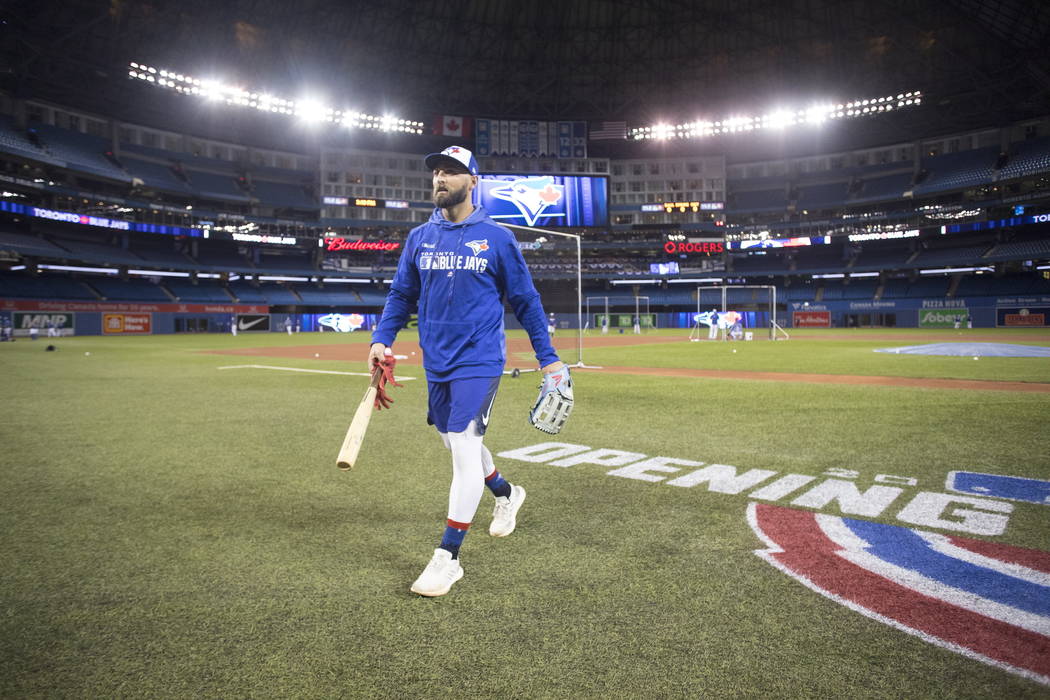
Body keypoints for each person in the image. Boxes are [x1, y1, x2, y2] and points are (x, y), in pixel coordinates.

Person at [368, 145, 565, 598]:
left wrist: (548, 356)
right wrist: (382, 338)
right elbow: (401, 295)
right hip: (437, 359)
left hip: (479, 358)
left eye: (452, 171)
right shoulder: (419, 237)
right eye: (436, 171)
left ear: (473, 181)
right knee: (454, 440)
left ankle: (447, 558)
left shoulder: (497, 238)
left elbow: (526, 300)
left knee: (462, 445)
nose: (441, 178)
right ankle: (506, 493)